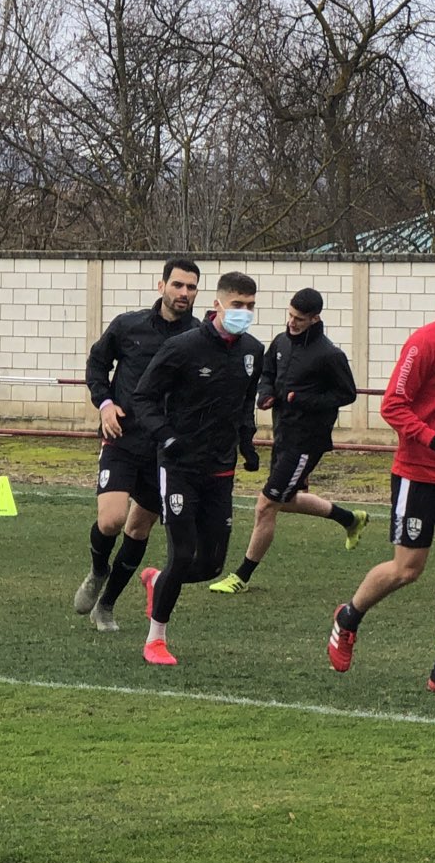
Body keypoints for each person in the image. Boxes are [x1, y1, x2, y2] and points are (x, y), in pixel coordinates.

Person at [326, 259, 435, 695]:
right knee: (408, 569)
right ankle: (348, 616)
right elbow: (393, 405)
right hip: (418, 474)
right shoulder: (426, 342)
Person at [127, 272, 266, 665]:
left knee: (211, 565)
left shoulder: (253, 351)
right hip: (179, 467)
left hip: (220, 470)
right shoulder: (182, 348)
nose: (245, 313)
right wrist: (165, 436)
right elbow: (144, 397)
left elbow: (244, 405)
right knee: (183, 553)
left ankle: (157, 580)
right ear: (218, 304)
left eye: (251, 306)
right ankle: (156, 639)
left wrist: (247, 443)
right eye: (238, 305)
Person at [210, 288, 368, 593]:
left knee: (267, 504)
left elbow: (346, 393)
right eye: (291, 315)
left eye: (299, 319)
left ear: (314, 318)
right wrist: (266, 394)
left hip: (306, 441)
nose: (292, 322)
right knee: (286, 498)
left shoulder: (328, 354)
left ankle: (241, 576)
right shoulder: (281, 342)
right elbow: (267, 373)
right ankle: (350, 519)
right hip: (284, 434)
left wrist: (305, 399)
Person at [76, 259, 200, 633]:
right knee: (111, 519)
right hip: (123, 439)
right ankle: (98, 569)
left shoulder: (197, 337)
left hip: (164, 449)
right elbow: (97, 366)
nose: (184, 293)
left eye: (191, 287)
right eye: (178, 285)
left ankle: (107, 606)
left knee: (139, 529)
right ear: (160, 285)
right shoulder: (127, 326)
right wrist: (106, 404)